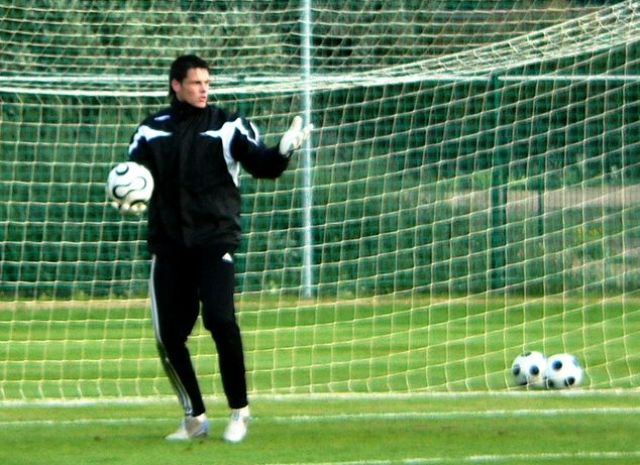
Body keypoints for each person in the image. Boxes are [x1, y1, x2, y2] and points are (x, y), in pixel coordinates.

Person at [116, 54, 312, 442]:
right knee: (169, 337)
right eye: (195, 83)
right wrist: (125, 190)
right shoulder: (151, 131)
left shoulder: (228, 125)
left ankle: (239, 411)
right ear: (176, 85)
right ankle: (194, 419)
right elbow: (133, 176)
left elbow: (263, 166)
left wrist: (283, 150)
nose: (203, 89)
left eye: (207, 82)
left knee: (221, 320)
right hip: (169, 247)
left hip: (214, 240)